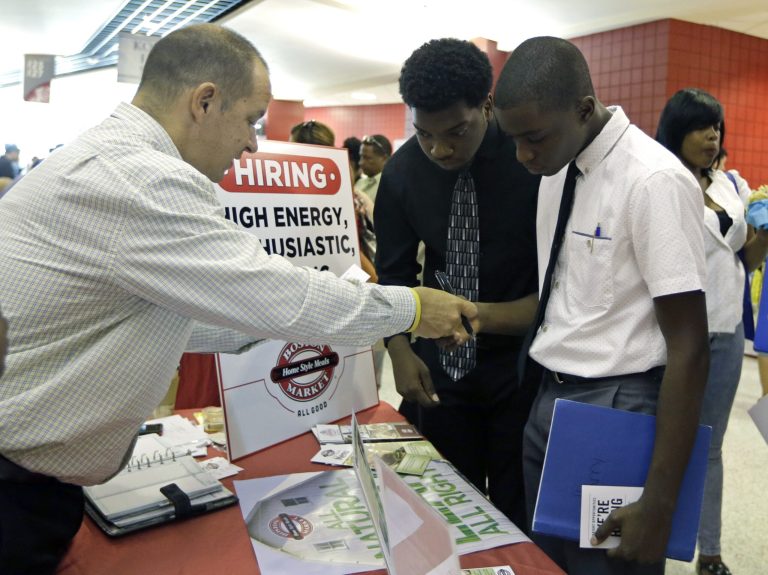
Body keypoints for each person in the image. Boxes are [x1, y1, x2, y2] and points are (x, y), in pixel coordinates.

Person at [0, 24, 476, 574]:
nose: (252, 143)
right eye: (250, 119)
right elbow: (277, 293)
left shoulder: (113, 160)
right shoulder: (139, 179)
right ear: (204, 101)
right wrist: (413, 307)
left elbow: (165, 317)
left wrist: (262, 319)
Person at [494, 36, 709, 574]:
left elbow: (690, 345)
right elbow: (564, 303)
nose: (523, 156)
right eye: (514, 140)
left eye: (533, 138)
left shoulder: (653, 180)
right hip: (550, 398)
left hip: (619, 405)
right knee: (551, 564)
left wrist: (660, 501)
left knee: (610, 567)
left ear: (584, 109)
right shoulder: (558, 165)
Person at [374, 38, 541, 528]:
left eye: (455, 132)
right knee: (445, 512)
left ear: (486, 105)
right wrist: (400, 353)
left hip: (519, 369)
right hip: (440, 372)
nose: (439, 149)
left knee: (518, 512)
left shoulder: (531, 164)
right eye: (424, 134)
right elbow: (394, 278)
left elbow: (561, 281)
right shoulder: (403, 173)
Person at [656, 88, 768, 575]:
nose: (712, 136)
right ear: (678, 130)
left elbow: (748, 258)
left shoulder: (730, 186)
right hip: (674, 337)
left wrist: (764, 230)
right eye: (702, 126)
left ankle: (712, 551)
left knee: (711, 443)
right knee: (664, 438)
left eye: (717, 127)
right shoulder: (659, 183)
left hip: (725, 330)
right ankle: (652, 538)